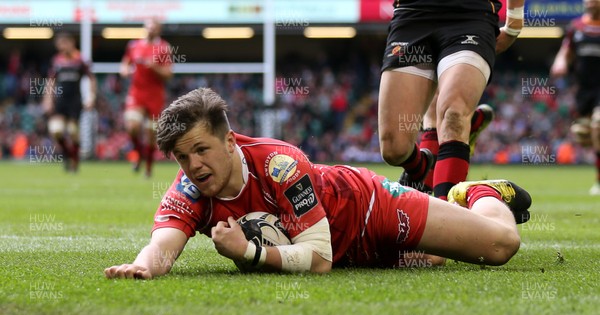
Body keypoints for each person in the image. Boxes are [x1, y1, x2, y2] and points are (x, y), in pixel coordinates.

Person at [104, 88, 532, 278]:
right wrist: (143, 266)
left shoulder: (279, 165)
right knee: (434, 262)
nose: (192, 165)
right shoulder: (190, 190)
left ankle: (478, 193)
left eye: (201, 150)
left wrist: (249, 252)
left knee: (498, 248)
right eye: (181, 156)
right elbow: (162, 245)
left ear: (230, 141)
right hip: (349, 255)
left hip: (369, 209)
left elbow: (319, 259)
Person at [378, 0, 524, 200]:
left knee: (454, 114)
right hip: (412, 16)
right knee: (394, 149)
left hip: (471, 16)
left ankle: (448, 216)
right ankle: (421, 168)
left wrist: (515, 22)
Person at [551, 0, 600, 195]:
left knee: (598, 125)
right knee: (586, 135)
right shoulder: (576, 27)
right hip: (584, 90)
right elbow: (566, 51)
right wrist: (560, 63)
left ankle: (598, 180)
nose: (589, 1)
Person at [120, 17, 173, 177]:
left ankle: (148, 168)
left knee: (151, 135)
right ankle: (137, 155)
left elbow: (168, 74)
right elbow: (125, 64)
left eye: (154, 27)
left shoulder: (164, 48)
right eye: (148, 26)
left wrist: (155, 67)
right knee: (132, 127)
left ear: (158, 30)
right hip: (136, 93)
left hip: (155, 95)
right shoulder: (134, 45)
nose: (150, 29)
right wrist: (125, 70)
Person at [42, 32, 96, 172]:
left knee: (72, 132)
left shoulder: (80, 60)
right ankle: (68, 155)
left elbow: (91, 79)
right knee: (56, 131)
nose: (61, 48)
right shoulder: (57, 61)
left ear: (71, 43)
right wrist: (48, 99)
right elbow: (51, 81)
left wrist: (91, 97)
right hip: (60, 101)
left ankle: (75, 160)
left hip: (75, 101)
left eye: (63, 44)